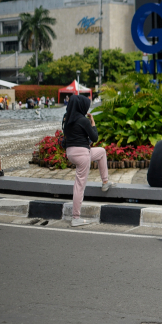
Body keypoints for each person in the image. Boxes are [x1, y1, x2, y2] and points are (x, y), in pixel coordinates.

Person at [62, 95, 113, 226]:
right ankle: (76, 217)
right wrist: (93, 122)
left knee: (101, 152)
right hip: (82, 154)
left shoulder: (66, 119)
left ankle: (105, 182)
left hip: (71, 153)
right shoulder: (83, 120)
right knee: (79, 185)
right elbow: (95, 137)